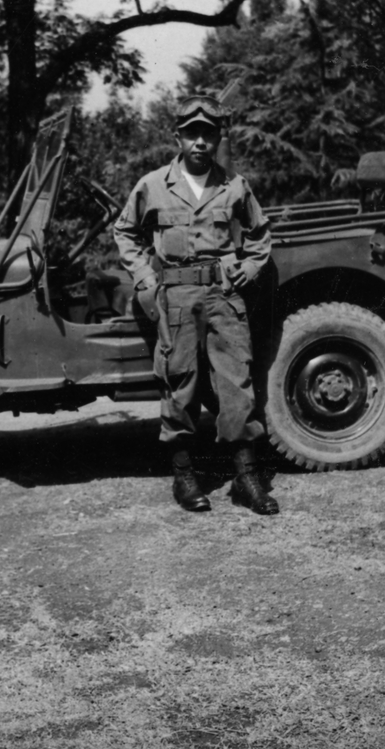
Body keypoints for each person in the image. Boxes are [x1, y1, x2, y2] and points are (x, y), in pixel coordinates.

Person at [114, 93, 279, 515]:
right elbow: (125, 232)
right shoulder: (153, 185)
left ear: (218, 137)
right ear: (178, 138)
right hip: (177, 298)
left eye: (208, 133)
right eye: (192, 134)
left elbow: (260, 235)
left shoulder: (234, 186)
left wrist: (251, 266)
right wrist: (145, 276)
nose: (200, 142)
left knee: (236, 384)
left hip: (224, 296)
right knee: (179, 383)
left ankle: (246, 479)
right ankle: (185, 477)